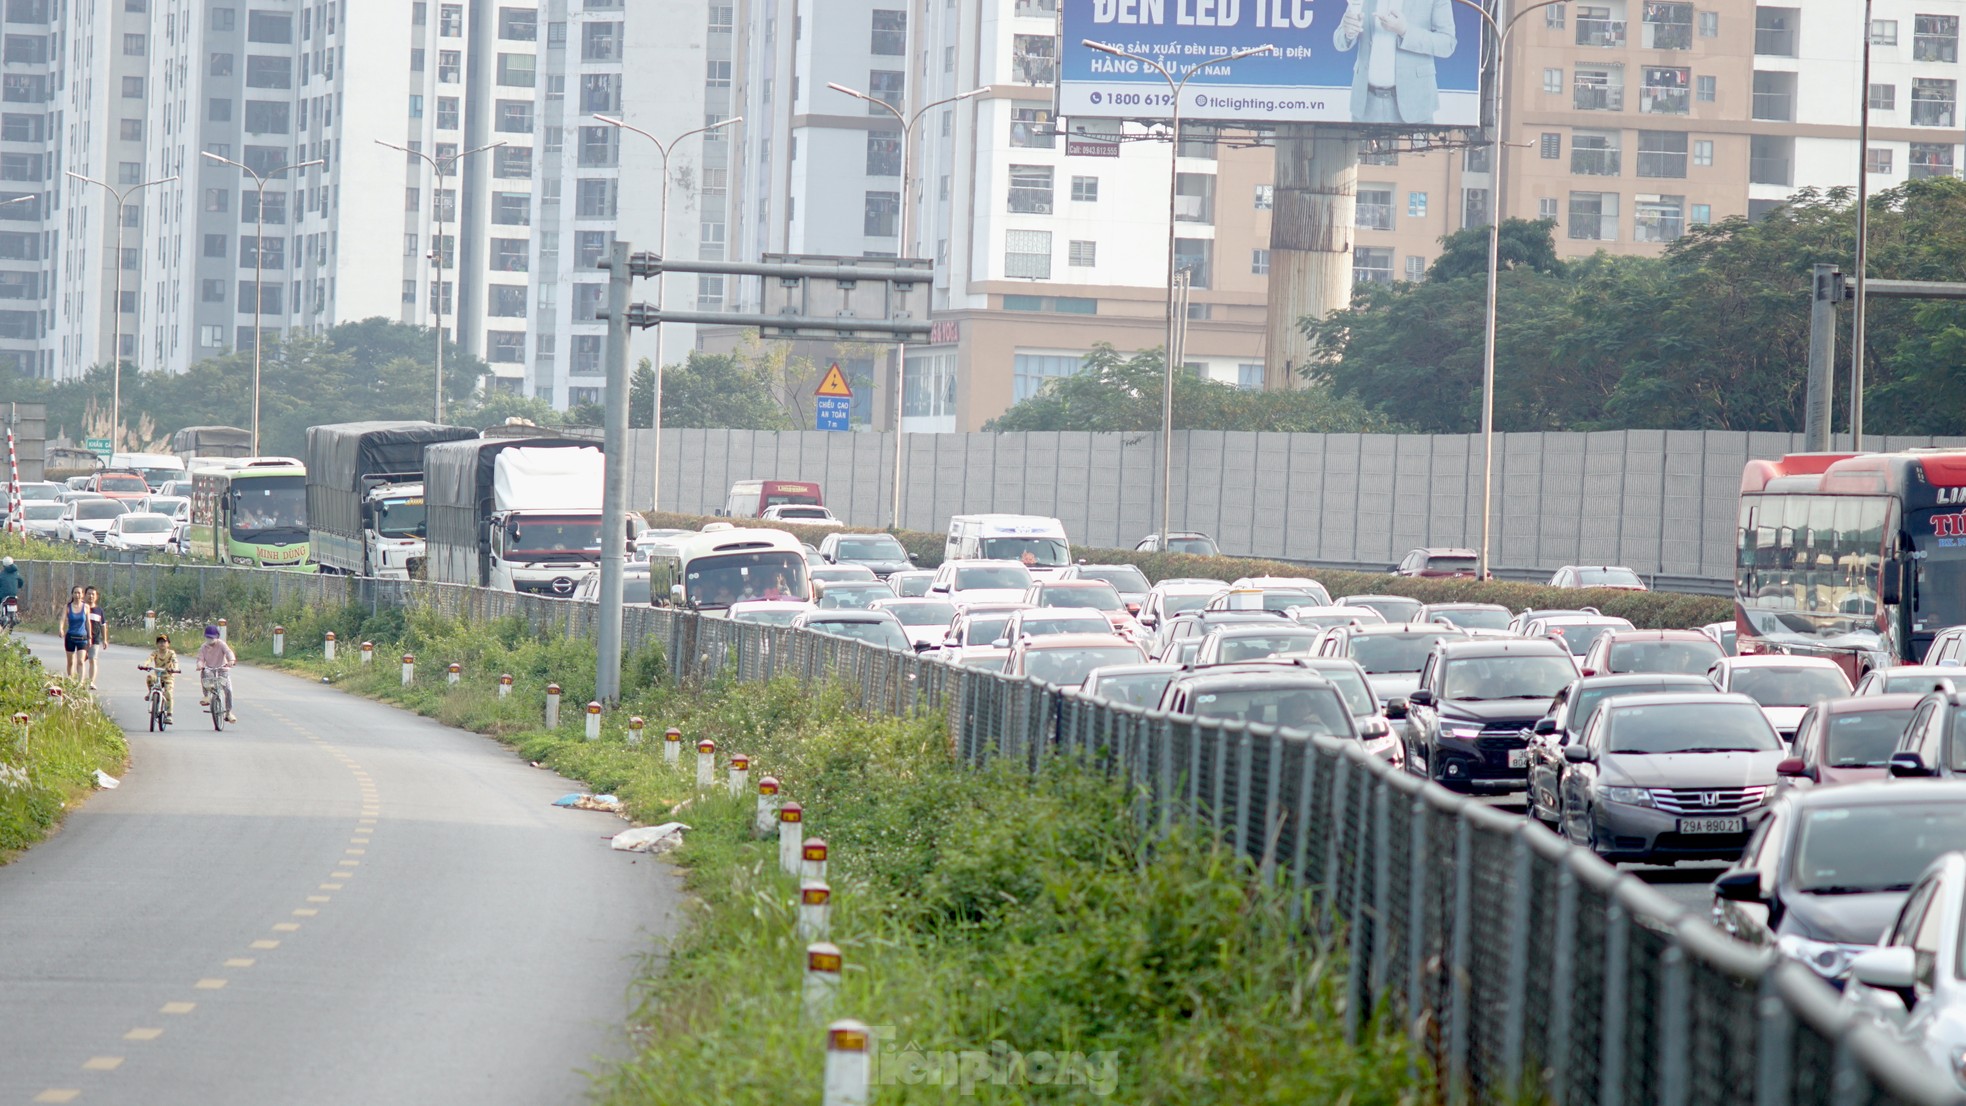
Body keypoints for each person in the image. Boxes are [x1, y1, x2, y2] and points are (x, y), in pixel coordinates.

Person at [1332, 0, 1458, 125]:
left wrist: (1405, 30)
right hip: (1365, 105)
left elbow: (1448, 44)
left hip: (1415, 105)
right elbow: (1339, 41)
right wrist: (1348, 32)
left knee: (1425, 147)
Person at [197, 625, 237, 723]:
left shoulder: (221, 644)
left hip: (222, 668)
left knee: (228, 690)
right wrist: (199, 665)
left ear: (217, 636)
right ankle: (206, 696)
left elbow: (228, 652)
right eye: (208, 637)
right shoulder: (203, 647)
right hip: (209, 669)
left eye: (212, 637)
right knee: (204, 673)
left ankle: (228, 713)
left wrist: (231, 660)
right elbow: (200, 659)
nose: (210, 639)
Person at [145, 633, 180, 723]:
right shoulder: (155, 653)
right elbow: (149, 659)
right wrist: (145, 665)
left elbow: (175, 661)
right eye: (160, 642)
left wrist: (175, 668)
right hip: (158, 676)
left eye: (164, 642)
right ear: (157, 644)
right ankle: (150, 693)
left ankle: (169, 715)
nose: (162, 644)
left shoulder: (171, 653)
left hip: (168, 676)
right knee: (149, 678)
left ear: (168, 643)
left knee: (168, 692)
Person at [61, 586, 89, 679]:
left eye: (79, 593)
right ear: (72, 594)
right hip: (70, 637)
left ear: (82, 595)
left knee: (81, 661)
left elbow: (88, 622)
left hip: (82, 638)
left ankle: (80, 683)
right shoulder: (67, 607)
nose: (77, 595)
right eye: (75, 593)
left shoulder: (86, 607)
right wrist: (61, 629)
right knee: (71, 662)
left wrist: (90, 637)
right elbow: (62, 619)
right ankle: (70, 679)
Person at [83, 585, 106, 690]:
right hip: (81, 638)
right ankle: (79, 680)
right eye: (89, 594)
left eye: (93, 594)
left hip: (95, 639)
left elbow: (103, 625)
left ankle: (91, 682)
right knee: (80, 660)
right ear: (85, 595)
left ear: (96, 596)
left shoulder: (99, 610)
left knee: (93, 660)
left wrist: (105, 639)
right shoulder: (81, 608)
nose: (91, 596)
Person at [0, 556, 21, 630]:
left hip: (4, 594)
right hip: (14, 594)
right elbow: (21, 582)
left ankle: (1, 618)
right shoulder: (16, 573)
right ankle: (16, 615)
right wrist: (18, 586)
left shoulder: (2, 574)